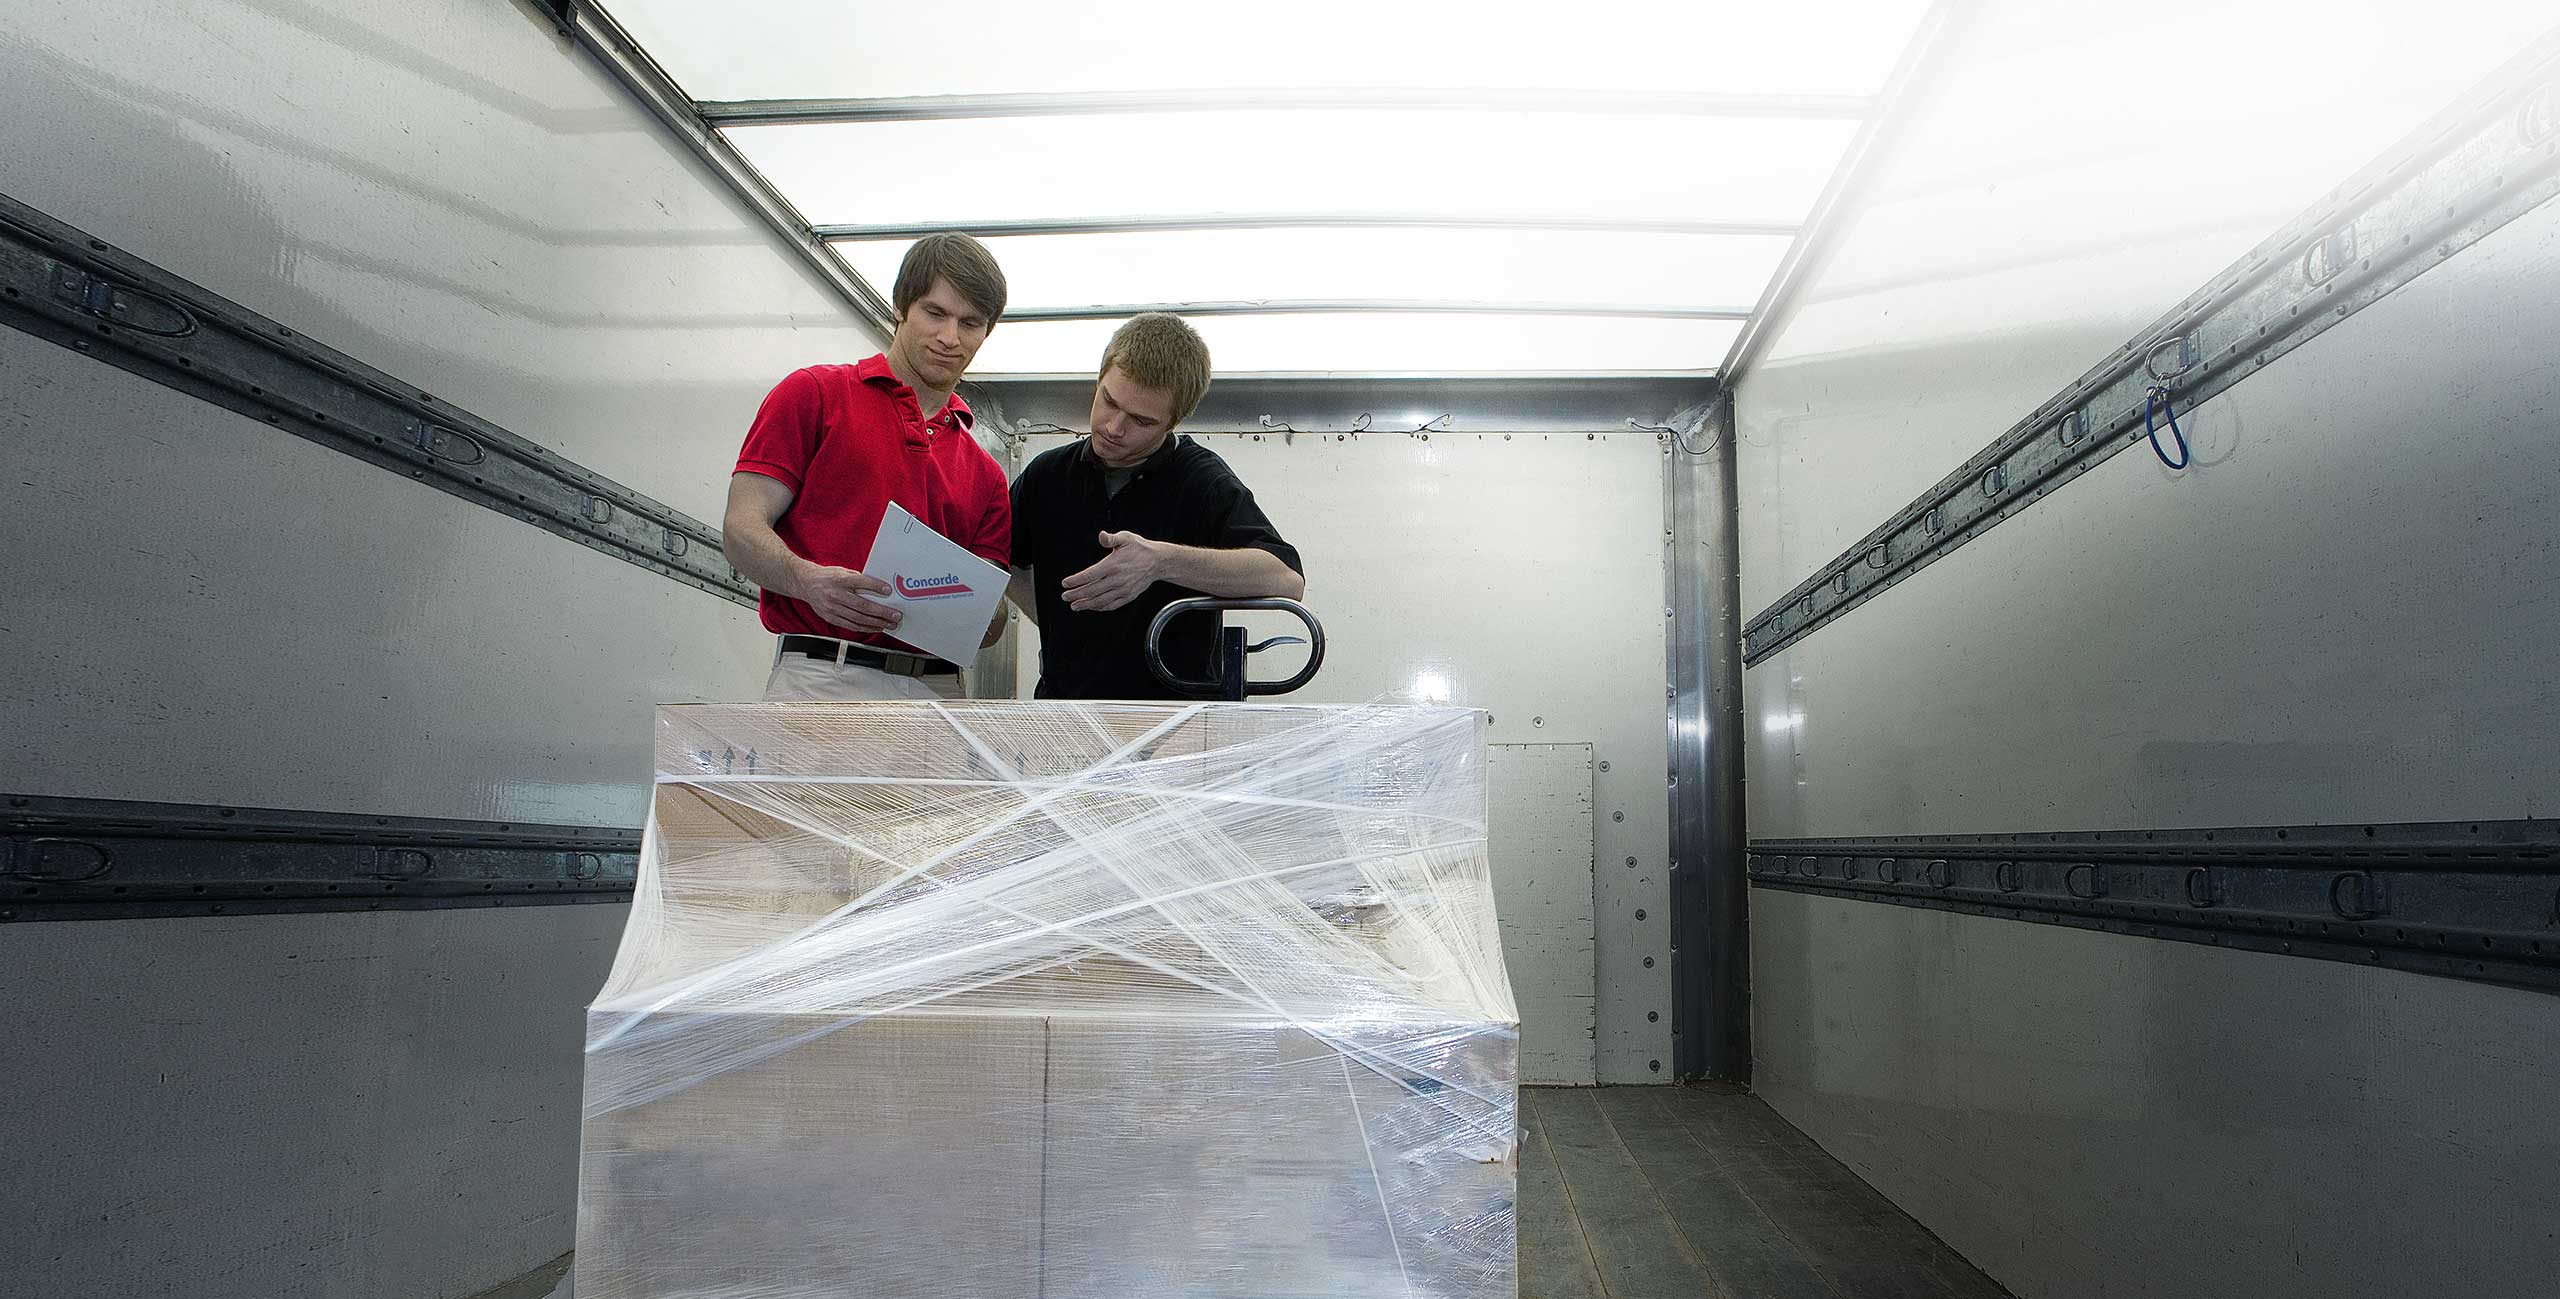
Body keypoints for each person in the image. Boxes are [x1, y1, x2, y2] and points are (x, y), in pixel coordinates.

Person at [721, 234, 1013, 701]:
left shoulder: (988, 476)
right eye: (935, 313)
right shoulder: (814, 394)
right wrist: (807, 581)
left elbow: (992, 621)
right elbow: (740, 527)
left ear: (987, 331)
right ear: (900, 306)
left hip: (940, 692)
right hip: (823, 678)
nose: (949, 338)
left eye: (970, 323)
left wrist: (980, 612)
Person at [1007, 313, 1305, 699]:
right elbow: (1000, 560)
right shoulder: (1045, 476)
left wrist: (1161, 562)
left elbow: (1286, 579)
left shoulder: (1203, 481)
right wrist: (1062, 619)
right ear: (1098, 380)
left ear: (1173, 422)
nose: (1114, 427)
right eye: (1108, 401)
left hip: (1174, 721)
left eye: (1141, 420)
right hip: (1067, 713)